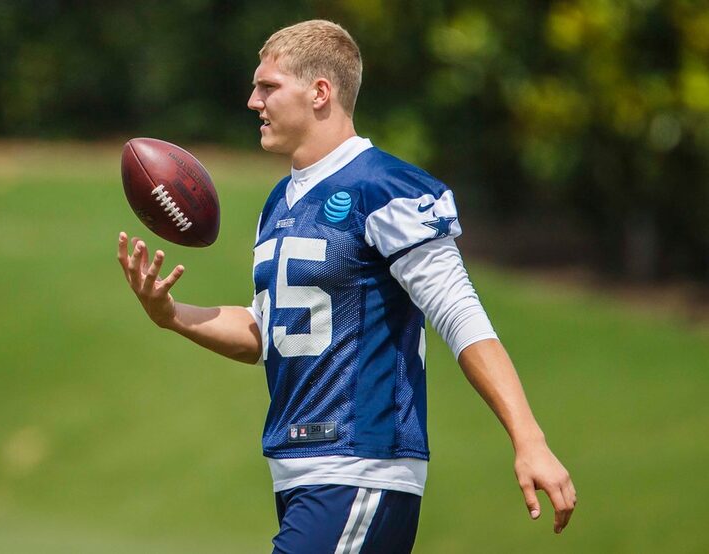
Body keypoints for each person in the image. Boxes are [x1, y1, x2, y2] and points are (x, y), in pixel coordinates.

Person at [118, 19, 576, 554]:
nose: (251, 101)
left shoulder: (386, 188)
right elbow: (266, 332)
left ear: (320, 93)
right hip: (299, 475)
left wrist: (529, 438)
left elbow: (462, 316)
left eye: (267, 87)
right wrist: (171, 314)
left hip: (359, 465)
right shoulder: (278, 205)